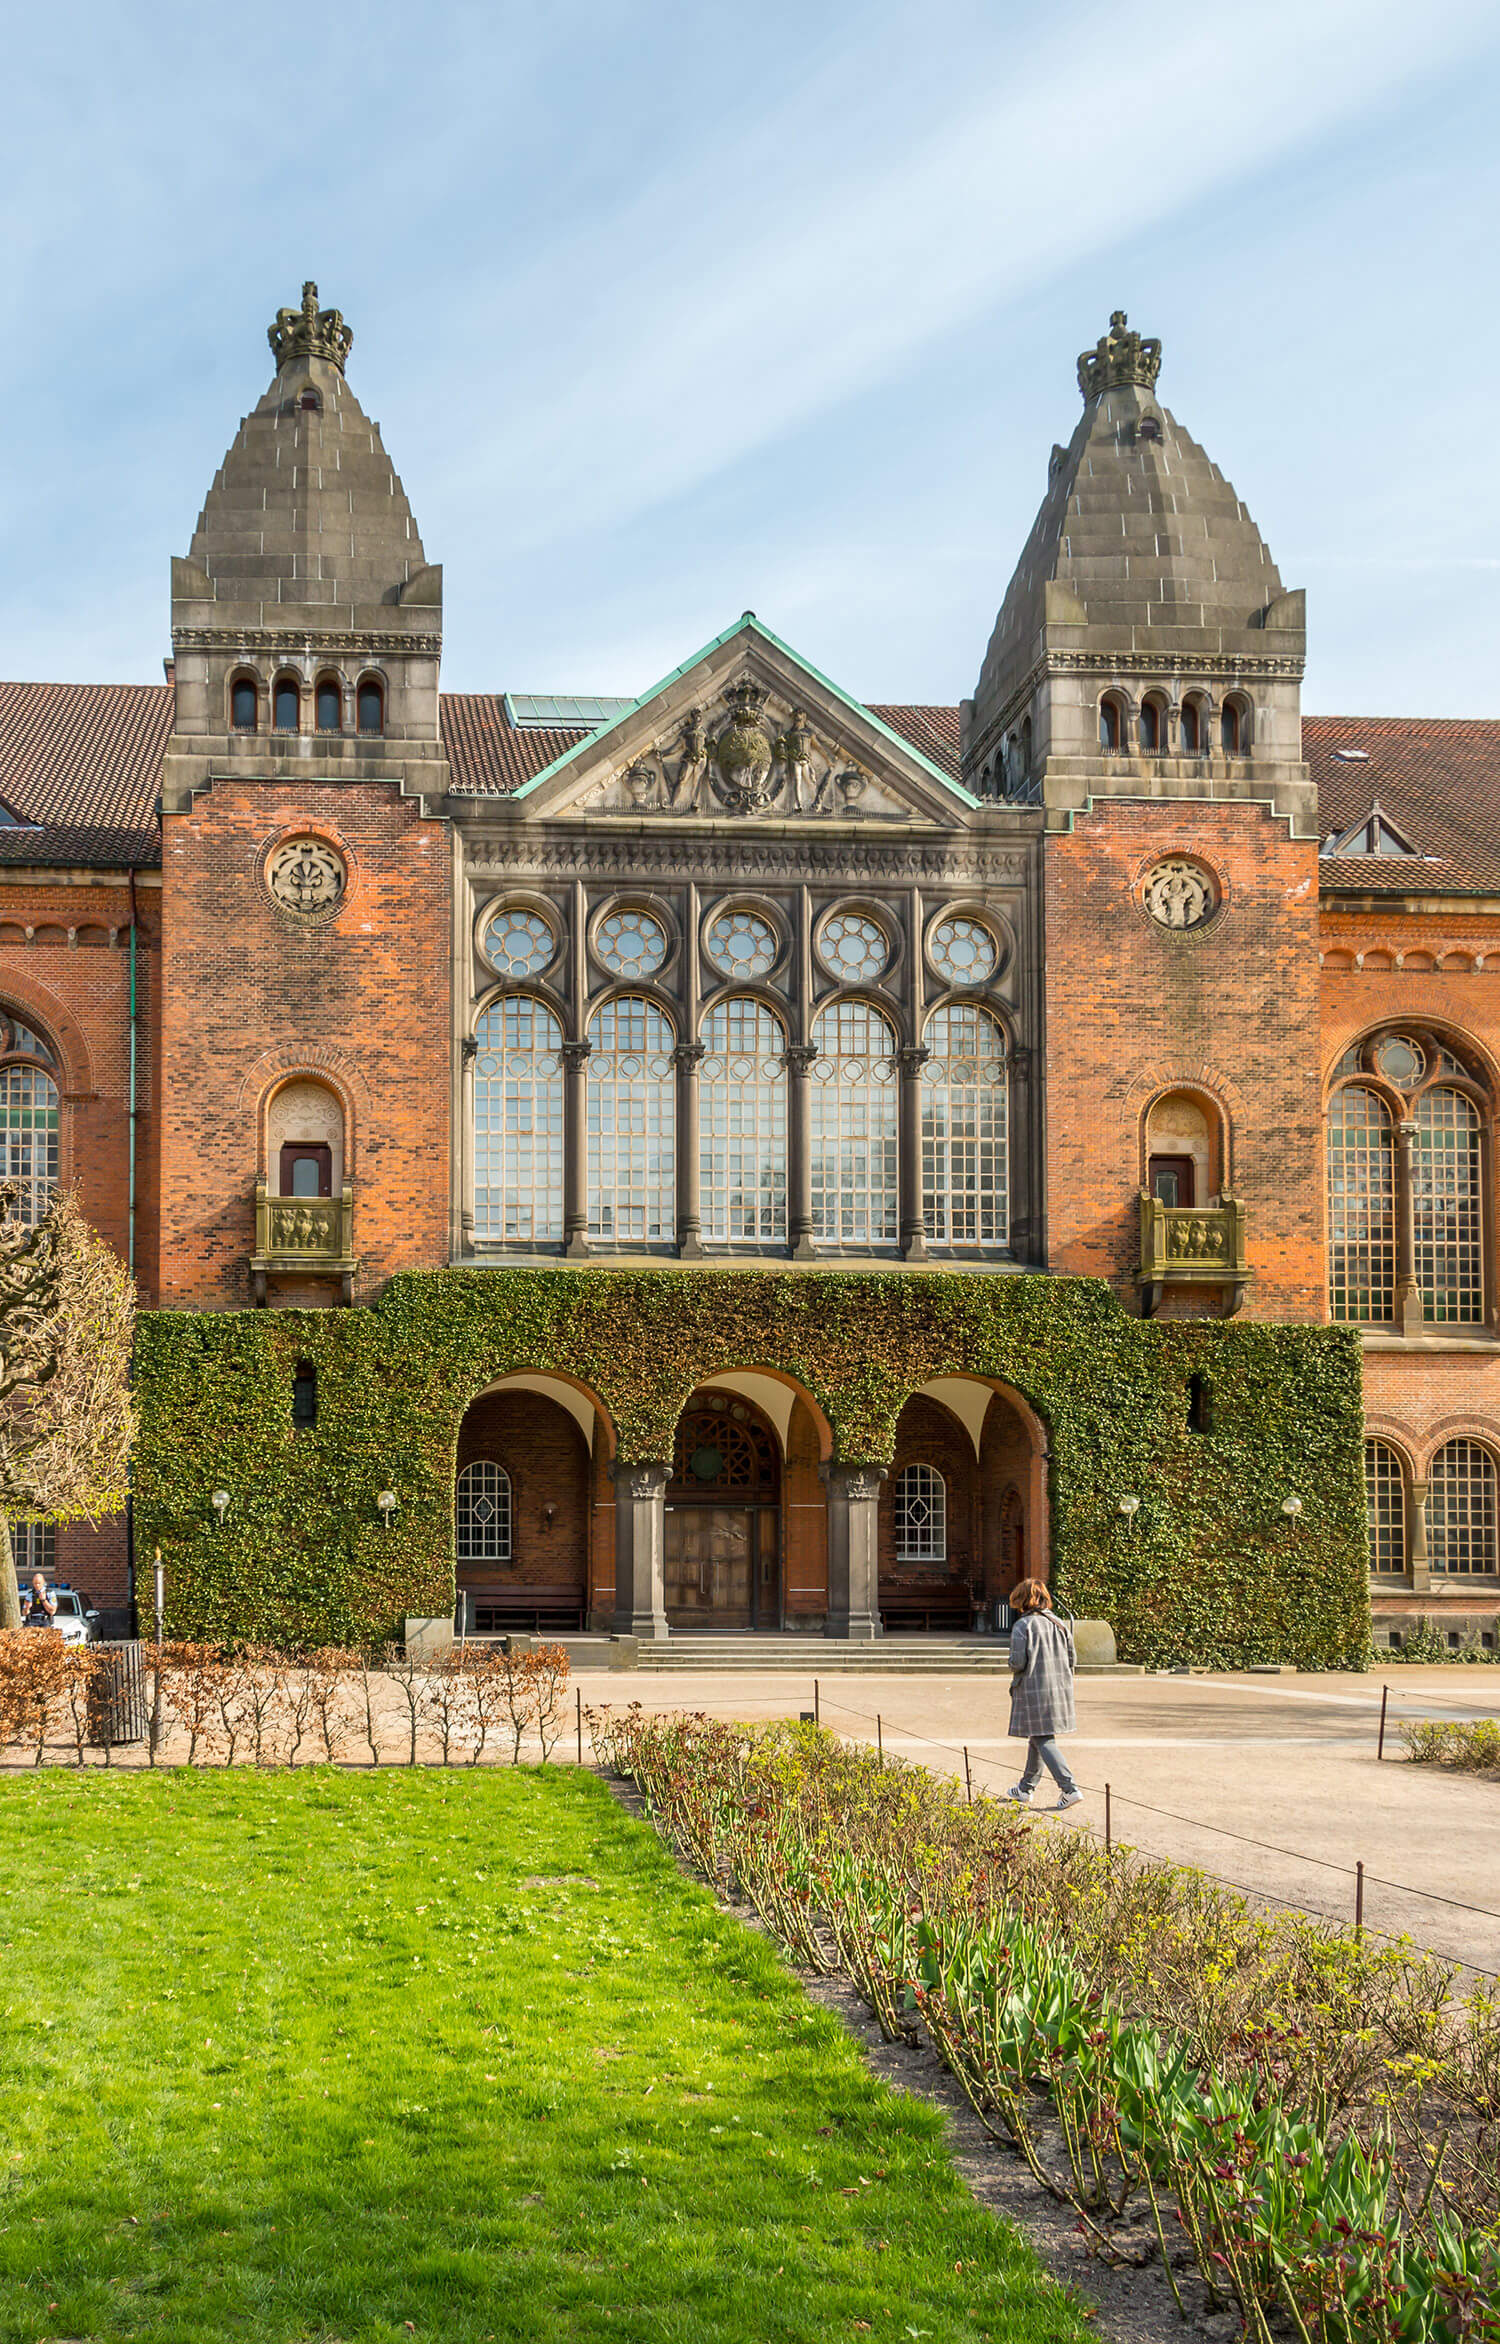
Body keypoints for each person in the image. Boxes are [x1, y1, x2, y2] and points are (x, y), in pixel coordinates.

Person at [1004, 1578, 1082, 1811]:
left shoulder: (1023, 1626)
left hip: (1033, 1688)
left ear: (1022, 1601)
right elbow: (1072, 1660)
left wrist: (1010, 1662)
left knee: (1041, 1738)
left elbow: (1017, 1663)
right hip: (1059, 1688)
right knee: (1038, 1736)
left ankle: (1069, 1788)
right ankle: (1026, 1788)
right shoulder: (1059, 1624)